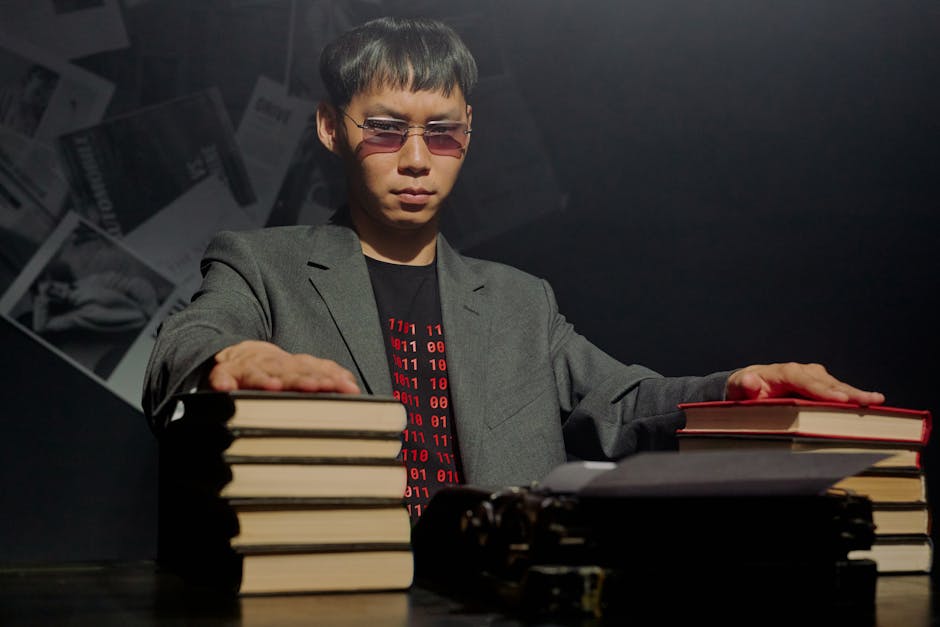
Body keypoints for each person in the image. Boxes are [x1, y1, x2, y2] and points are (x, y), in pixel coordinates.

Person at [143, 16, 883, 520]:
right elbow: (186, 340)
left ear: (470, 132)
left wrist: (737, 389)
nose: (415, 158)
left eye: (442, 132)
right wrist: (233, 355)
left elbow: (627, 403)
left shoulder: (521, 302)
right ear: (331, 128)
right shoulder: (260, 263)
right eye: (386, 128)